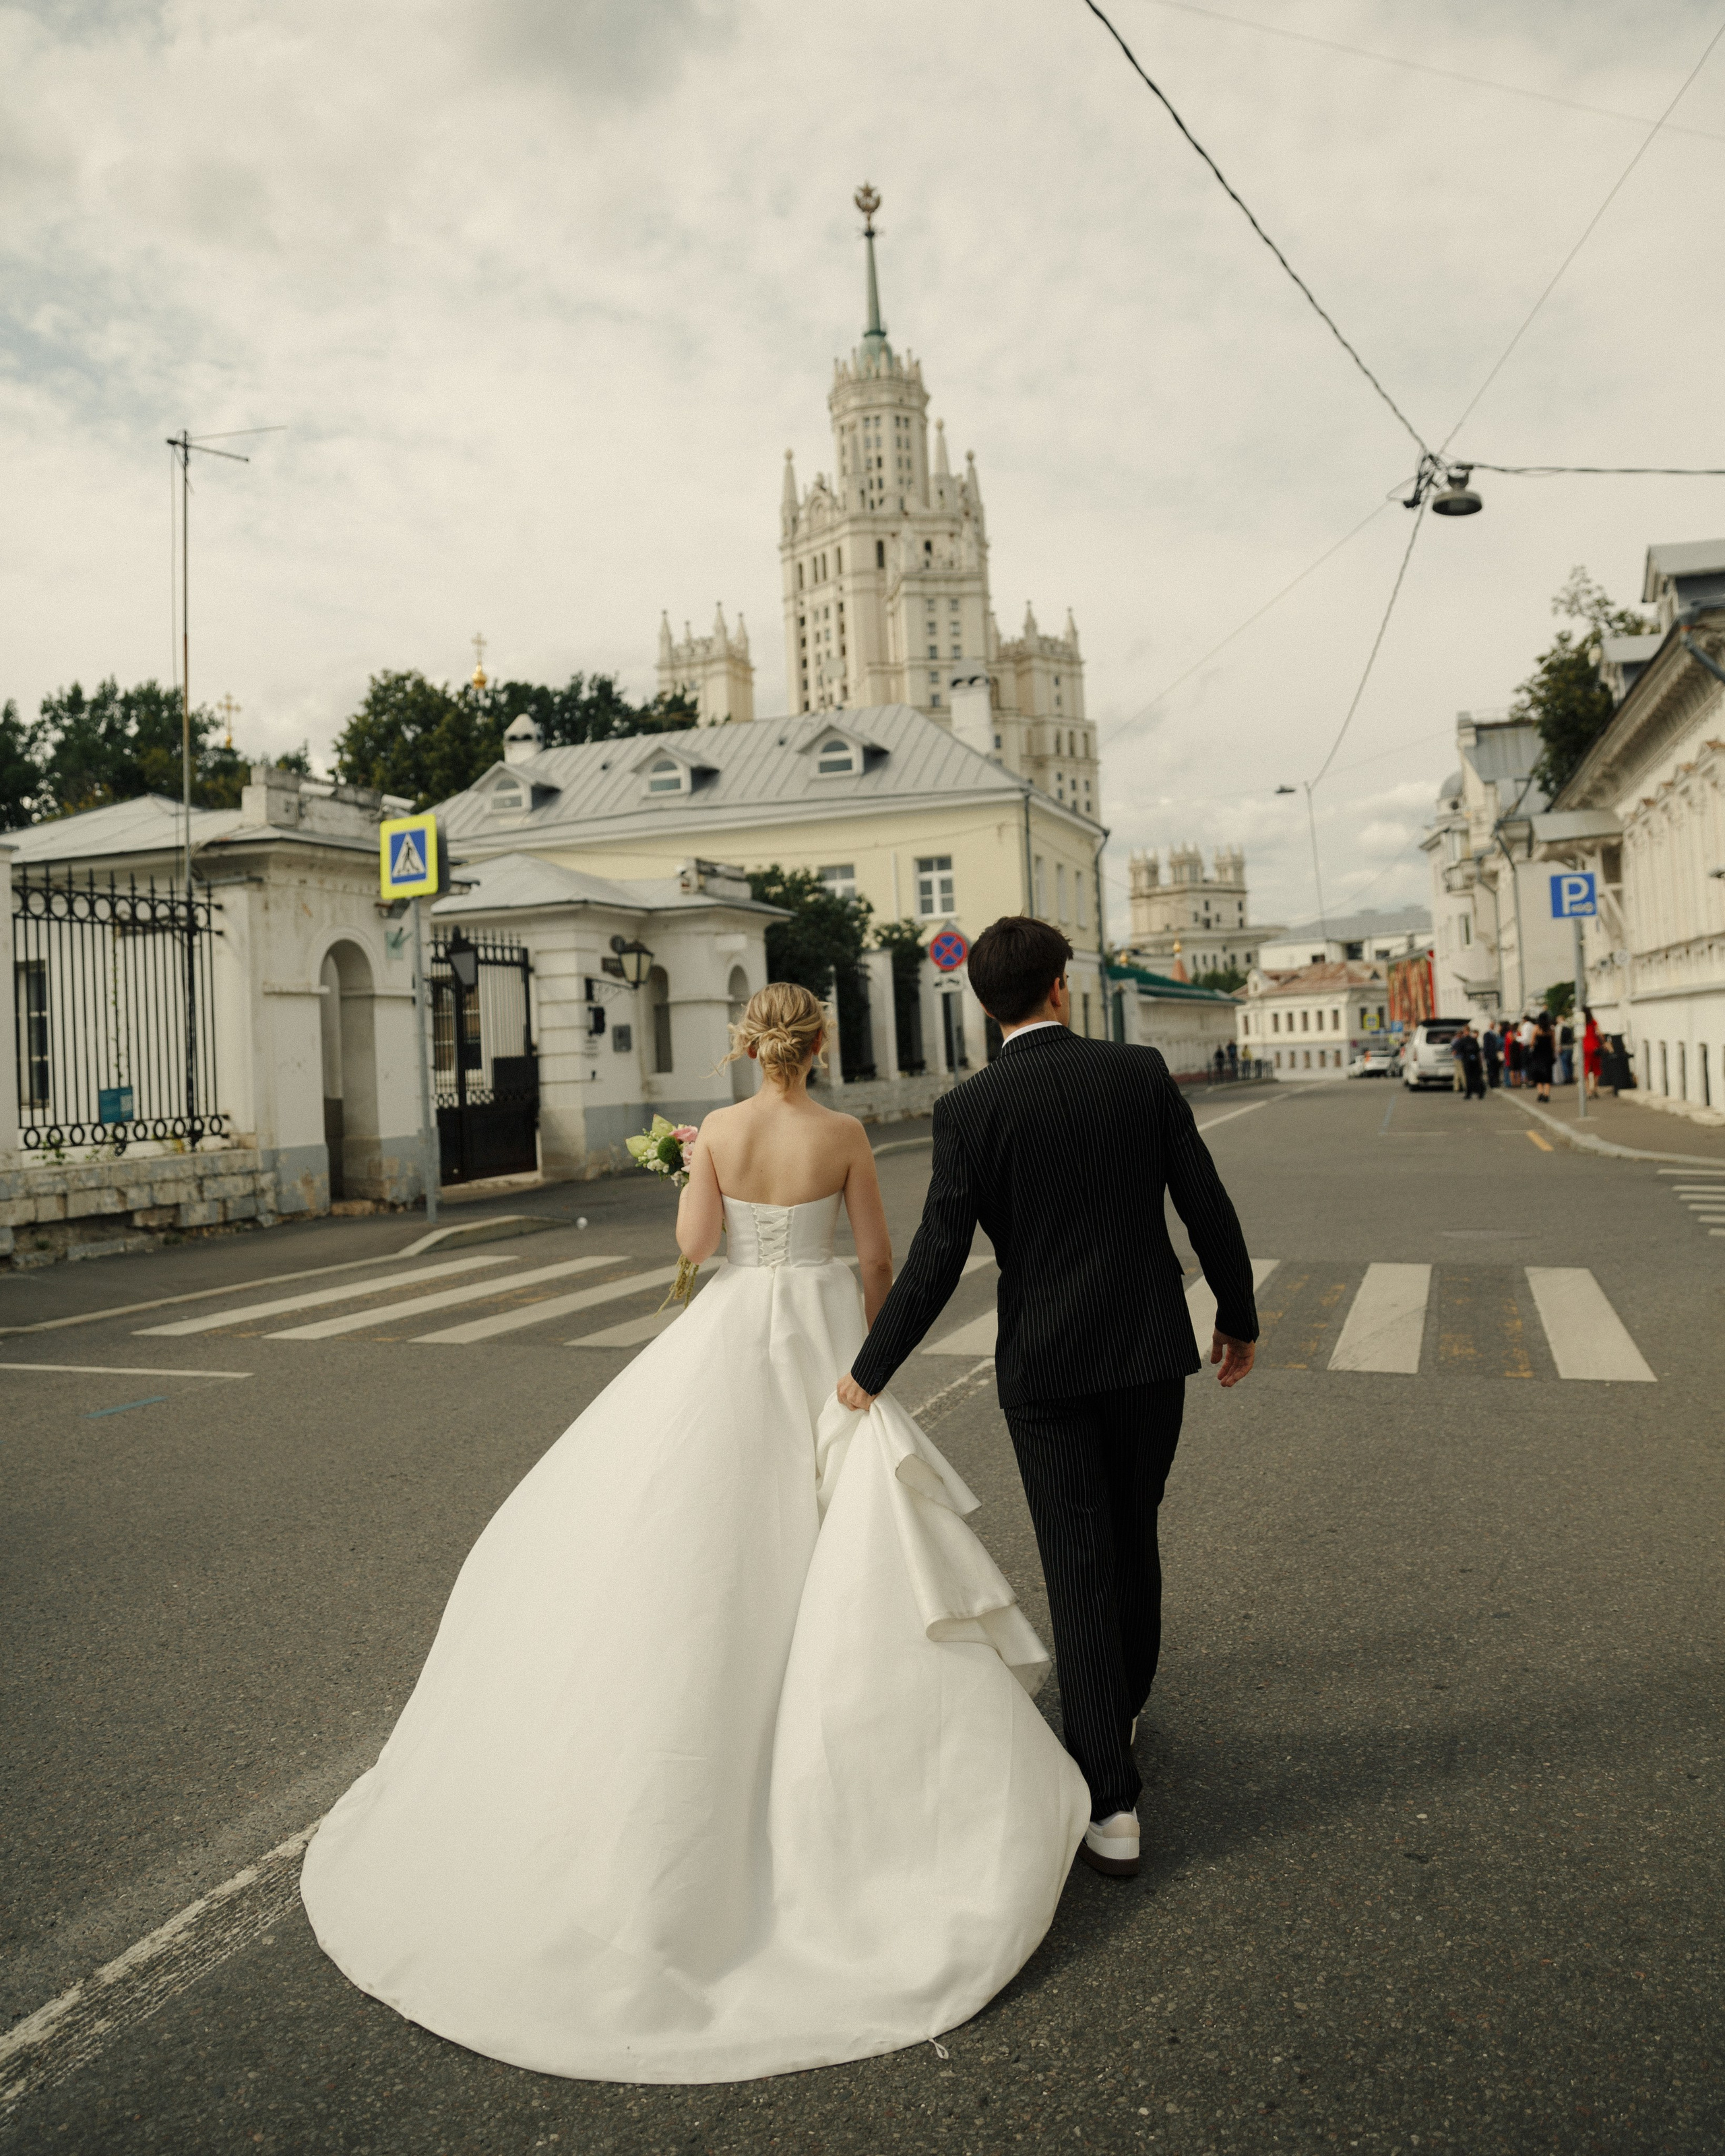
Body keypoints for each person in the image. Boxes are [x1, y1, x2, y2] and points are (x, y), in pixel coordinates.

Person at [301, 982, 1090, 2083]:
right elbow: (876, 1259)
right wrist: (866, 1359)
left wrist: (692, 1173)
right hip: (824, 1334)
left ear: (745, 1046)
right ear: (818, 1046)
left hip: (735, 1331)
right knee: (841, 1537)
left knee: (695, 1540)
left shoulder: (716, 1130)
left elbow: (697, 1244)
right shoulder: (847, 1131)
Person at [837, 916, 1258, 1884]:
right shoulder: (1139, 1071)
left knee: (1077, 1554)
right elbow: (1206, 1203)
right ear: (1061, 988)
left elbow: (940, 1255)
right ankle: (1126, 1701)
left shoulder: (968, 1107)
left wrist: (873, 1367)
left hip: (1047, 1368)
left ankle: (1110, 1798)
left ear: (983, 1008)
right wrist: (1236, 1316)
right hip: (1150, 1351)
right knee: (1133, 1528)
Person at [1452, 1021, 1486, 1100]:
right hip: (1475, 1061)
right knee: (1476, 1077)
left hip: (1467, 1061)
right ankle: (1480, 1093)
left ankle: (1469, 1094)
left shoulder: (1463, 1040)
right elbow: (1478, 1051)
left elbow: (1457, 1050)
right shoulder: (1473, 1040)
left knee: (1468, 1078)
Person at [1529, 1011, 1556, 1102]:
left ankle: (1540, 1092)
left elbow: (1532, 1042)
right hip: (1548, 1054)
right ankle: (1546, 1094)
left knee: (1538, 1074)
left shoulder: (1536, 1028)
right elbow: (1553, 1044)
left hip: (1538, 1055)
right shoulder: (1551, 1030)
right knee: (1548, 1075)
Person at [1583, 1006, 1603, 1099]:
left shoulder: (1581, 1023)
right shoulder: (1593, 1021)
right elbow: (1599, 1033)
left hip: (1584, 1047)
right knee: (1596, 1070)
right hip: (1595, 1046)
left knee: (1586, 1069)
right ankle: (1595, 1089)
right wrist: (1603, 1042)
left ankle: (1588, 1091)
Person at [1482, 1021, 1503, 1090]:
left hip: (1495, 1055)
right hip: (1490, 1055)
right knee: (1490, 1070)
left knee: (1495, 1070)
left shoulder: (1495, 1035)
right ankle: (1491, 1083)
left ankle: (1495, 1083)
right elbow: (1486, 1046)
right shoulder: (1487, 1035)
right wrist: (1486, 1055)